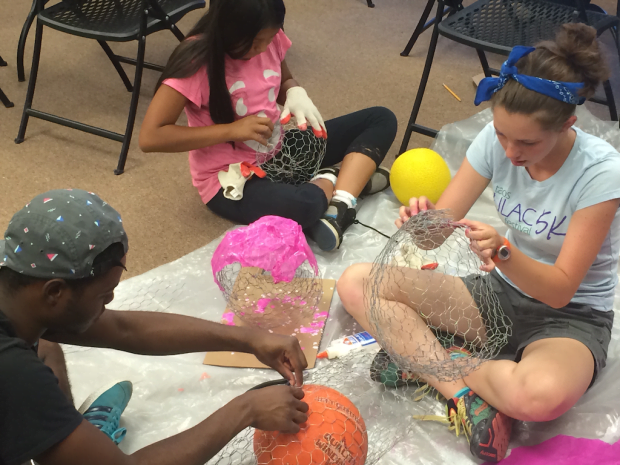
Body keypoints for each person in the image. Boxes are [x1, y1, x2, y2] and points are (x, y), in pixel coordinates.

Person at [336, 23, 620, 462]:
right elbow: (437, 232)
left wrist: (503, 253)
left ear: (568, 123)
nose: (509, 152)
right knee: (357, 282)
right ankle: (464, 395)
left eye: (527, 142)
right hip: (500, 296)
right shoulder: (496, 141)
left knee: (538, 398)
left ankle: (433, 357)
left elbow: (562, 288)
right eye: (502, 135)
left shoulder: (600, 173)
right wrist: (421, 224)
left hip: (571, 318)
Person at [0, 189, 310, 465]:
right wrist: (246, 409)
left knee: (45, 347)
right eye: (103, 295)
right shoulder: (14, 371)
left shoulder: (19, 285)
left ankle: (65, 440)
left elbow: (124, 329)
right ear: (55, 292)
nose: (108, 304)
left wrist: (251, 339)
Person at [139, 0, 397, 252]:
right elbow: (151, 137)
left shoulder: (269, 38)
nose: (263, 49)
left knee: (380, 118)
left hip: (280, 151)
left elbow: (283, 81)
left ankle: (339, 202)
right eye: (254, 43)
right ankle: (338, 179)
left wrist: (295, 92)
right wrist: (231, 130)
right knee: (305, 207)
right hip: (232, 178)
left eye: (269, 38)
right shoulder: (196, 60)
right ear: (228, 28)